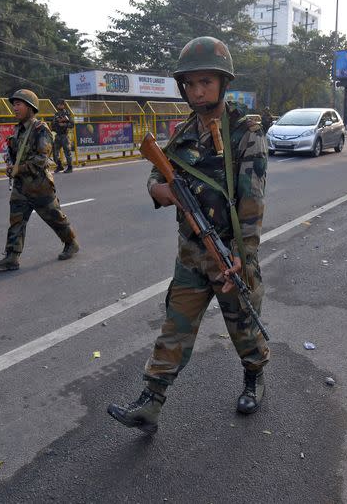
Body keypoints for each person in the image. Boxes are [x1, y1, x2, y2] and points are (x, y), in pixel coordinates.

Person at [107, 36, 269, 434]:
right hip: (191, 255)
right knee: (174, 329)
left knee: (243, 325)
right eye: (190, 84)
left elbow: (252, 205)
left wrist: (241, 256)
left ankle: (254, 376)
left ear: (222, 84)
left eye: (206, 83)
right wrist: (159, 192)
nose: (197, 92)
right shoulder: (182, 134)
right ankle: (151, 402)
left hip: (228, 255)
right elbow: (155, 173)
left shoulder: (245, 132)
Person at [0, 89, 79, 271]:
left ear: (30, 107)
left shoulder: (41, 129)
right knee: (16, 220)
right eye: (14, 104)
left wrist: (19, 168)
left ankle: (71, 243)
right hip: (21, 185)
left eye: (18, 104)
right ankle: (12, 256)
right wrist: (11, 166)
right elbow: (17, 157)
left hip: (40, 185)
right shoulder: (17, 131)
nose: (15, 108)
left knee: (54, 217)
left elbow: (41, 158)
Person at [51, 99, 74, 173]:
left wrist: (64, 124)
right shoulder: (56, 114)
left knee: (67, 152)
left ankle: (70, 167)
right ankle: (59, 166)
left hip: (64, 135)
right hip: (58, 135)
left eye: (61, 104)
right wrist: (54, 126)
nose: (59, 105)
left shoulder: (67, 114)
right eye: (58, 104)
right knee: (55, 152)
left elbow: (72, 124)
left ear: (64, 105)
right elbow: (53, 124)